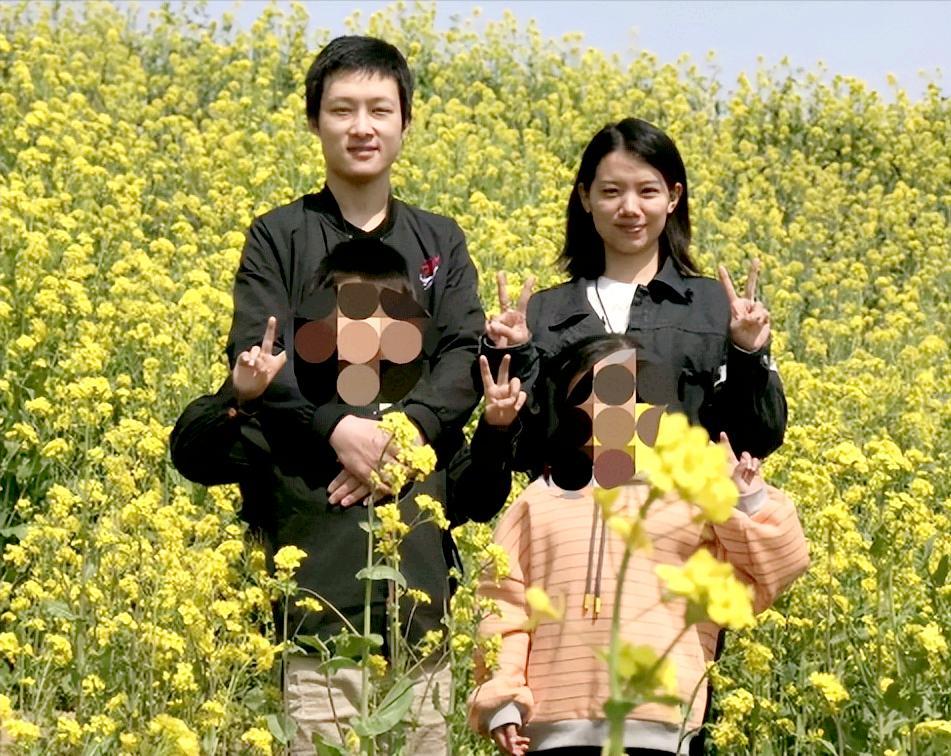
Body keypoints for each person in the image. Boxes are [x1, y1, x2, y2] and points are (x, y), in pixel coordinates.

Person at [170, 35, 514, 755]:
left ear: (405, 122)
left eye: (379, 110)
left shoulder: (439, 240)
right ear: (314, 120)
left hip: (416, 573)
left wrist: (406, 432)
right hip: (315, 565)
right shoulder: (279, 236)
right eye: (343, 109)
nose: (362, 127)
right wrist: (336, 428)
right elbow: (260, 353)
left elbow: (462, 352)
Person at [467, 335, 810, 755]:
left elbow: (772, 570)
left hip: (660, 726)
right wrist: (502, 702)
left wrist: (745, 500)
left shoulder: (691, 495)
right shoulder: (537, 502)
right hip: (549, 730)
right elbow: (502, 611)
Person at [498, 117, 786, 485]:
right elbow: (523, 451)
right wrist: (514, 355)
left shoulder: (714, 308)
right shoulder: (545, 312)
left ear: (673, 197)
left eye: (648, 191)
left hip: (687, 513)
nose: (630, 208)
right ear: (586, 197)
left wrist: (747, 352)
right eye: (612, 192)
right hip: (575, 514)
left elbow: (757, 439)